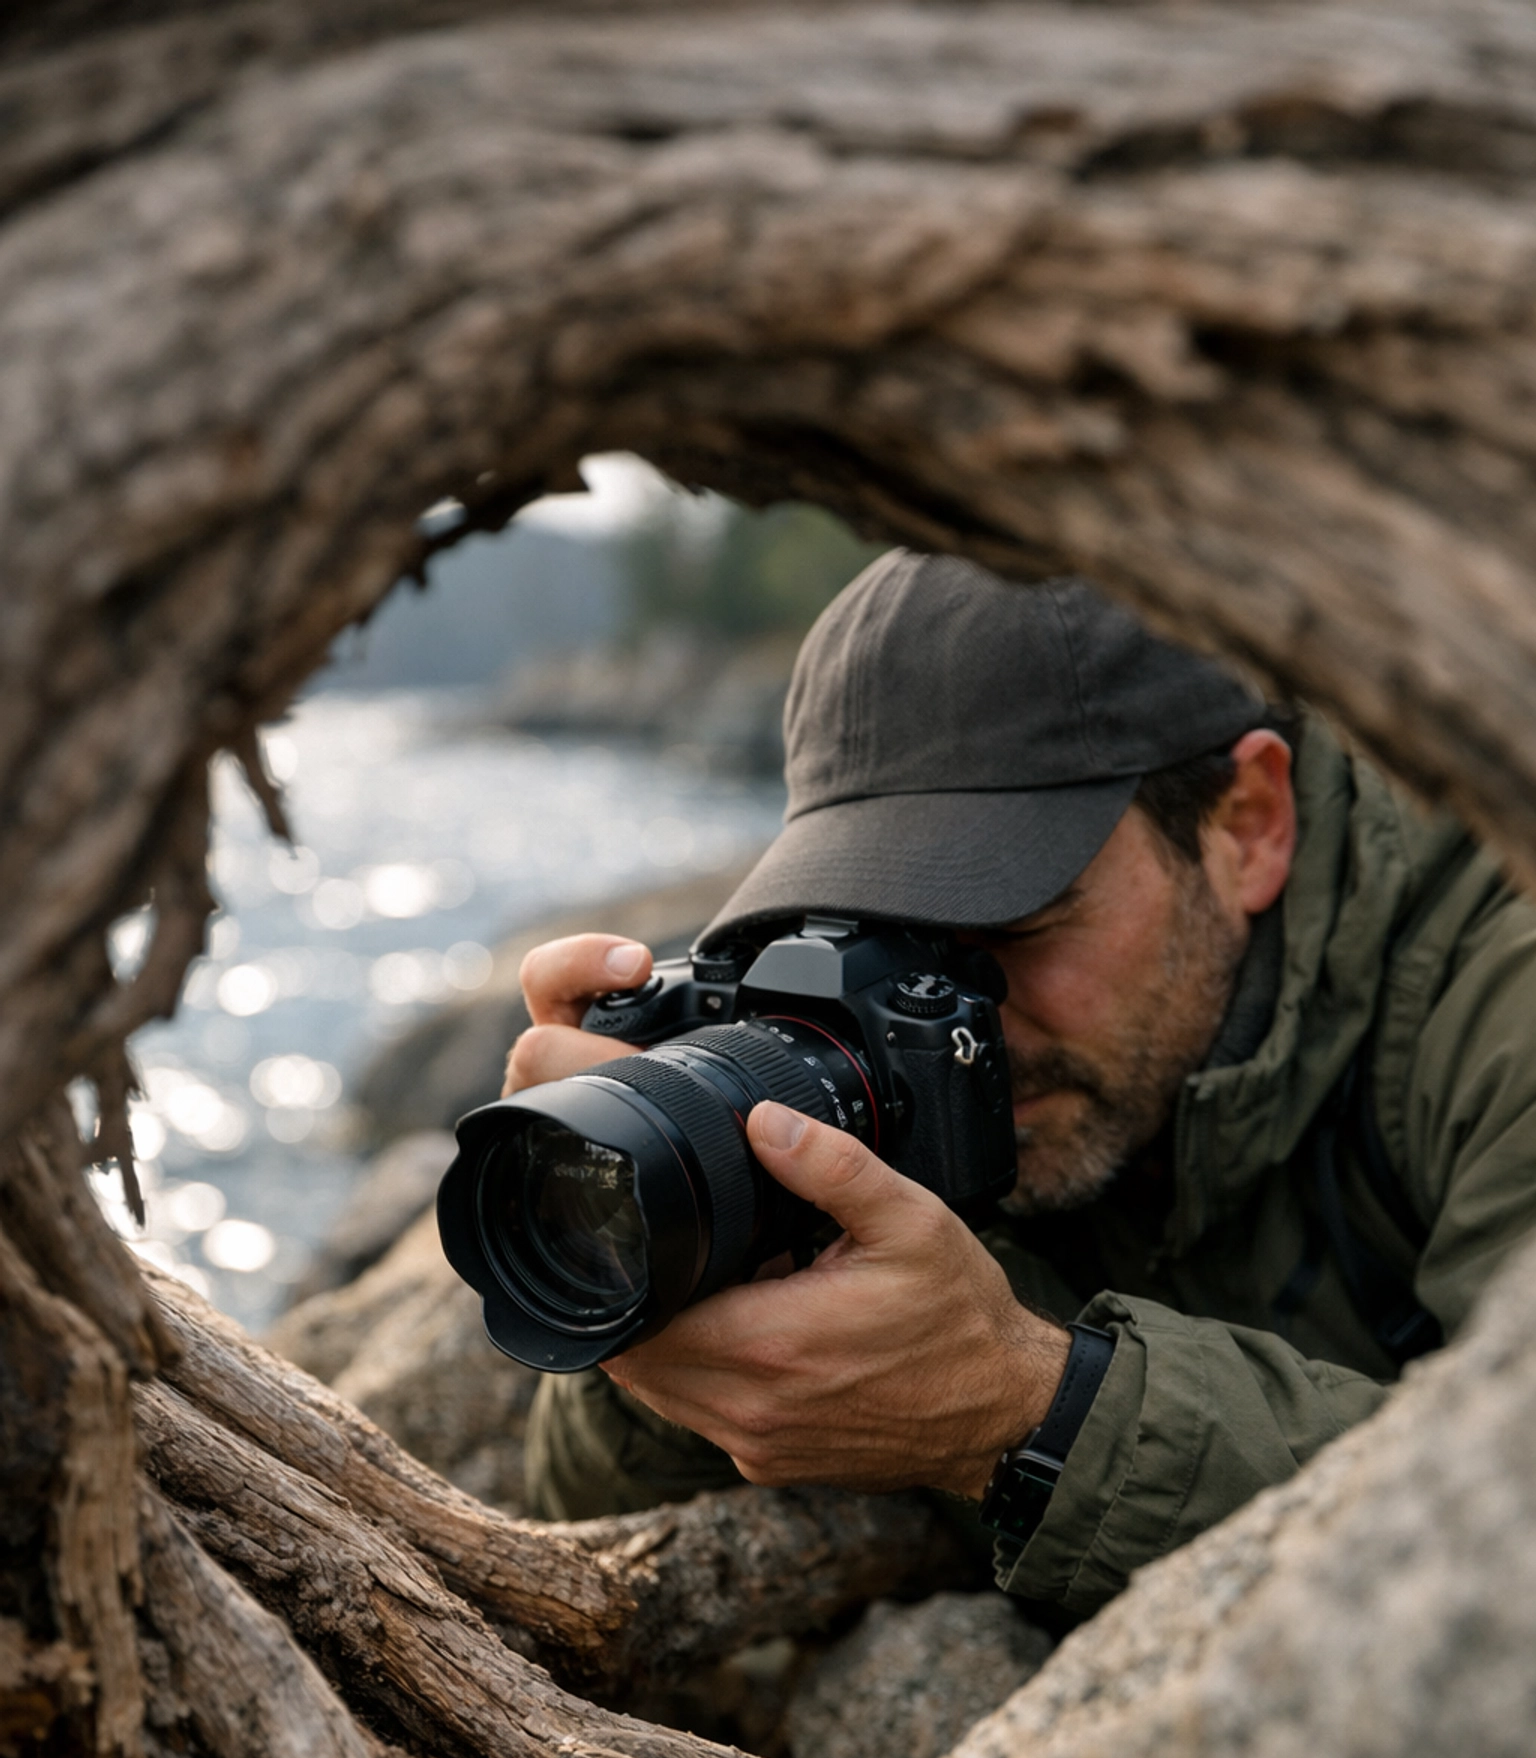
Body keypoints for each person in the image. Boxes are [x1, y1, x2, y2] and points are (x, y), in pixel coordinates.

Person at [507, 553, 1536, 1622]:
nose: (958, 1013)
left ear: (1248, 824)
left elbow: (1505, 1542)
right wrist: (655, 1227)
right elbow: (579, 1529)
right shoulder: (915, 1074)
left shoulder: (1495, 985)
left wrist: (1026, 1408)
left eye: (1012, 929)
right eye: (885, 933)